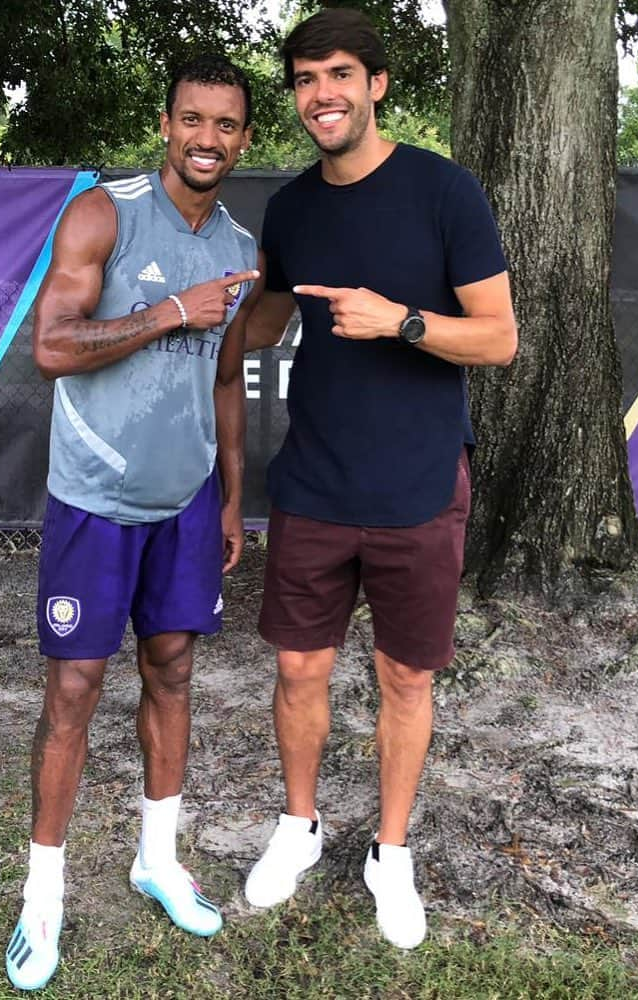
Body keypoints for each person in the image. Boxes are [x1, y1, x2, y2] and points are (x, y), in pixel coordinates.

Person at [241, 8, 517, 950]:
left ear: (376, 85)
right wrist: (175, 319)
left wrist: (399, 321)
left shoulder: (445, 192)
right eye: (306, 79)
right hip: (314, 481)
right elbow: (262, 323)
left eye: (340, 75)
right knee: (298, 668)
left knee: (406, 678)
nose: (322, 94)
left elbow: (499, 338)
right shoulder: (291, 209)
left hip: (418, 485)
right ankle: (300, 826)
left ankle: (390, 854)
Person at [5, 55, 261, 992]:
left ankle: (158, 858)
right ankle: (44, 895)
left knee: (174, 669)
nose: (207, 139)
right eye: (192, 120)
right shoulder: (104, 213)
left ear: (243, 138)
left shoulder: (238, 247)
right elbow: (52, 348)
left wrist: (231, 493)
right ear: (167, 125)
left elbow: (226, 379)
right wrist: (165, 313)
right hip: (96, 500)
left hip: (185, 500)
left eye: (226, 126)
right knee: (74, 689)